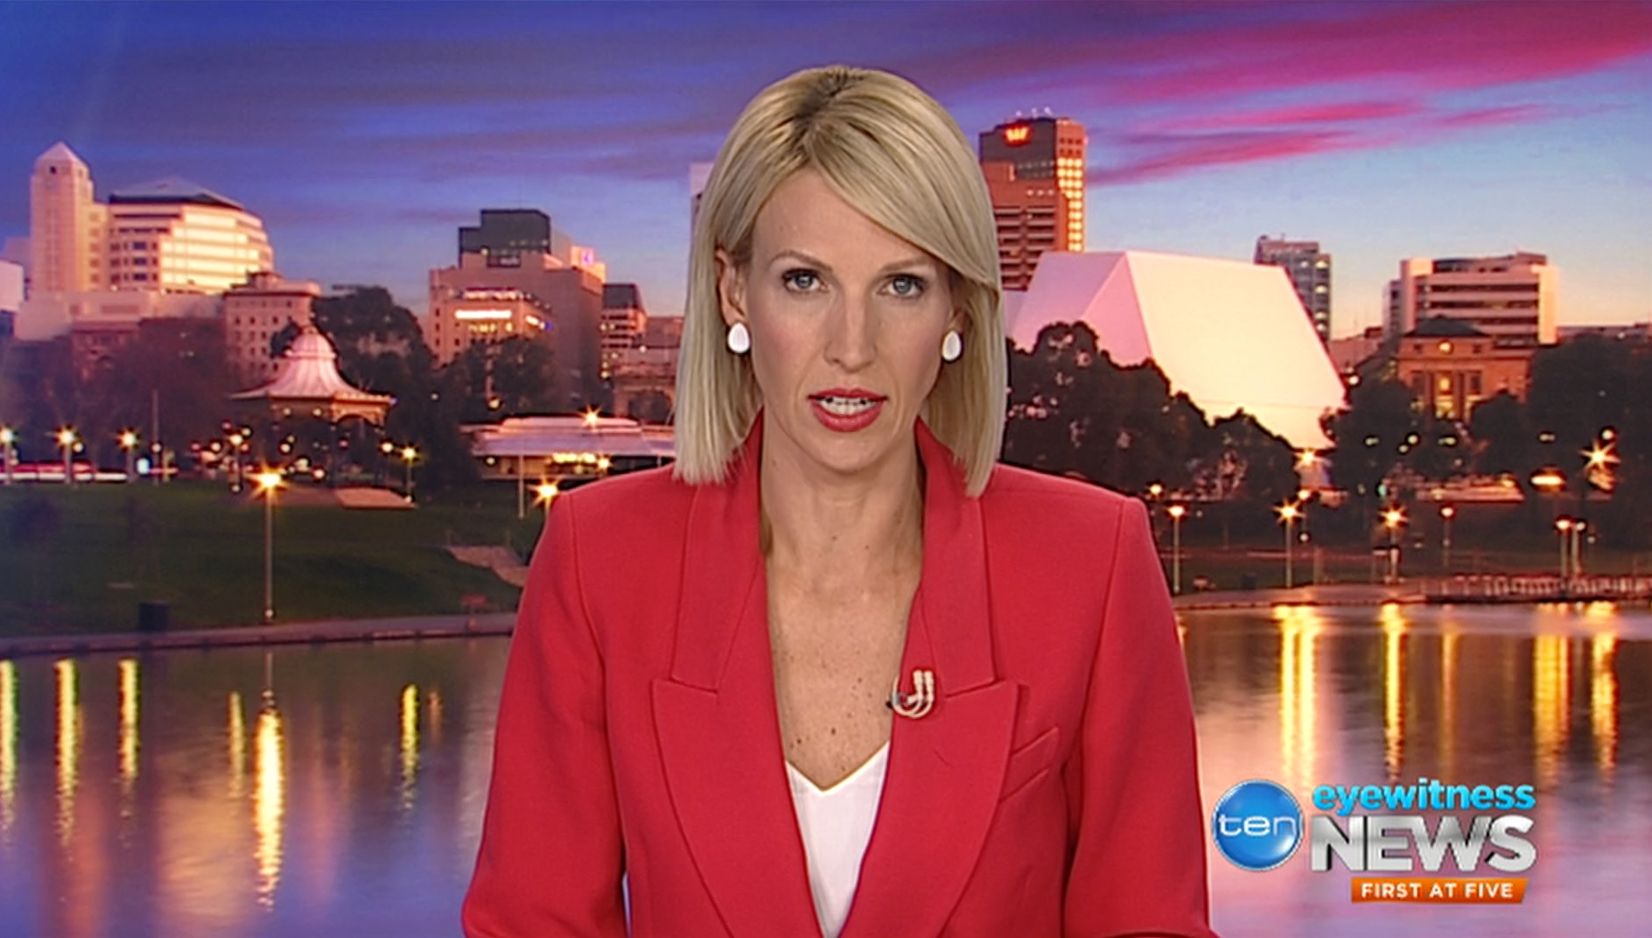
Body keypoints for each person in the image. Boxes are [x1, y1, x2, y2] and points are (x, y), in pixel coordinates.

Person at [462, 63, 1218, 938]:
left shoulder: (1092, 561)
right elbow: (534, 920)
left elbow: (1146, 917)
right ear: (734, 291)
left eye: (902, 285)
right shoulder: (600, 558)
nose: (851, 347)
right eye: (804, 281)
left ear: (957, 312)